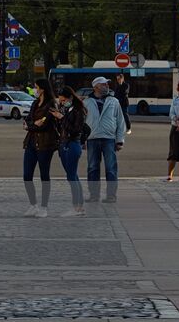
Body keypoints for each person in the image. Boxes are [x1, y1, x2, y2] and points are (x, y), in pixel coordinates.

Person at [82, 77, 124, 203]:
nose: (107, 86)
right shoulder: (87, 102)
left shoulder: (114, 101)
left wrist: (119, 140)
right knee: (92, 168)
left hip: (109, 139)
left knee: (111, 168)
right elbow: (82, 123)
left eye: (107, 84)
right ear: (95, 87)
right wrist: (82, 139)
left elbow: (120, 121)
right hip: (92, 138)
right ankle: (94, 195)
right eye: (103, 84)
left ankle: (111, 196)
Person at [22, 80, 58, 217]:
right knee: (27, 176)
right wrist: (32, 124)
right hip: (31, 142)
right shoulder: (35, 103)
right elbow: (29, 120)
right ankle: (33, 205)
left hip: (45, 144)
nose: (35, 90)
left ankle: (44, 207)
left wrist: (32, 125)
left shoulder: (51, 104)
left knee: (44, 175)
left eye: (36, 87)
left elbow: (45, 124)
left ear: (42, 89)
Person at [51, 85, 87, 216]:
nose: (61, 102)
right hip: (65, 144)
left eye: (63, 100)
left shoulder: (78, 110)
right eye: (60, 101)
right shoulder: (68, 109)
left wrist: (62, 117)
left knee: (72, 176)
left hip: (72, 144)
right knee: (72, 175)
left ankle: (77, 207)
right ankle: (78, 206)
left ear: (70, 97)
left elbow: (76, 129)